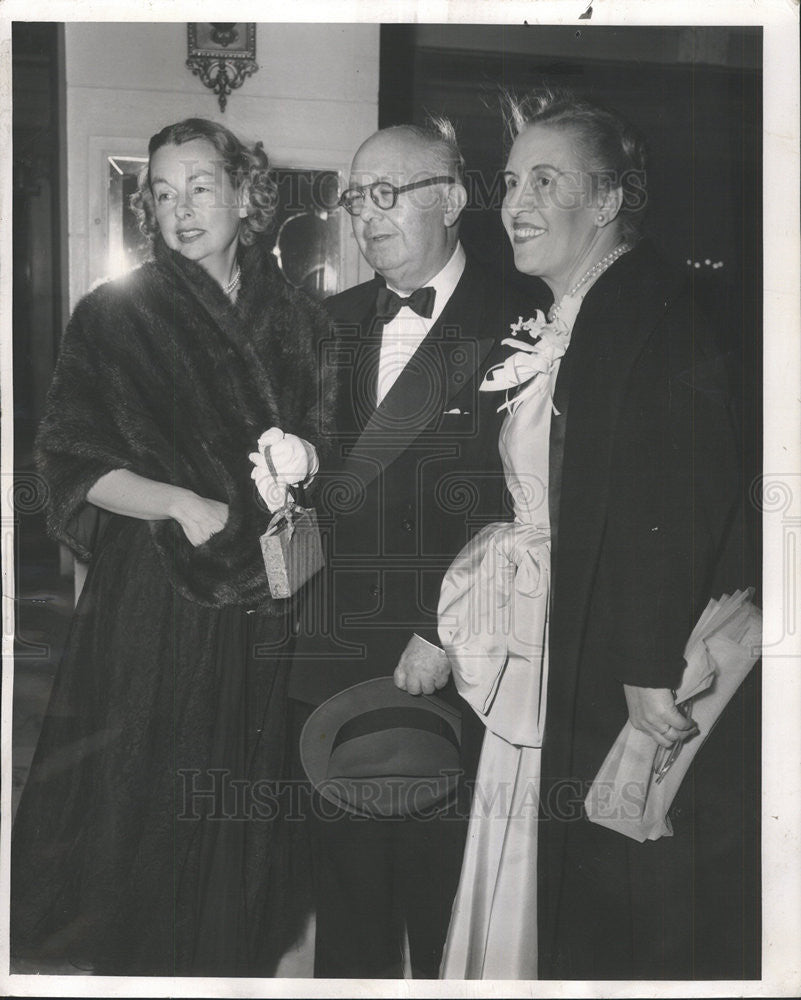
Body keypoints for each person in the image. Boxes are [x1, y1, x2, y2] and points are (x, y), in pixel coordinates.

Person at [437, 87, 757, 980]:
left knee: (597, 889)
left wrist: (647, 664)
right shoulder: (586, 307)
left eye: (546, 180)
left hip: (608, 656)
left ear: (609, 201)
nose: (518, 202)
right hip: (543, 640)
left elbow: (683, 493)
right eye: (508, 182)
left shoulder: (650, 308)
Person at [11, 118, 335, 976]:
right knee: (147, 813)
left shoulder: (299, 317)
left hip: (265, 604)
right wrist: (179, 503)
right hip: (153, 601)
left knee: (241, 816)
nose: (180, 209)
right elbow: (68, 464)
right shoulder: (115, 314)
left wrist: (304, 458)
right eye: (162, 192)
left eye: (198, 187)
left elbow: (329, 445)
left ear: (242, 192)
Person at [288, 120, 535, 978]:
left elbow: (523, 509)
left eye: (387, 194)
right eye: (357, 198)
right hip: (328, 659)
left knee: (441, 909)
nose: (365, 216)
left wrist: (442, 630)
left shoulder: (522, 323)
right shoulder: (328, 321)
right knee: (346, 913)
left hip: (446, 661)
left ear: (454, 198)